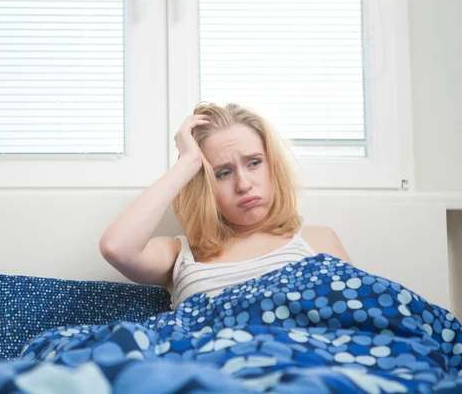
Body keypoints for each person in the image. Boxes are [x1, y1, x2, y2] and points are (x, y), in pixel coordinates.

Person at [99, 102, 352, 309]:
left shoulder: (318, 239)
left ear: (273, 165)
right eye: (222, 173)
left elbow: (359, 314)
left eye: (254, 163)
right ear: (204, 186)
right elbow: (117, 247)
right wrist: (187, 162)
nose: (243, 185)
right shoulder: (181, 254)